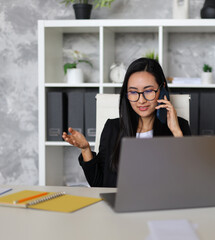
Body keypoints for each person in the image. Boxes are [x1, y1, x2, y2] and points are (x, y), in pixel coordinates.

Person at [62, 58, 191, 187]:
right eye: (133, 92)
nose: (141, 100)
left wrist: (176, 132)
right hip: (120, 204)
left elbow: (188, 182)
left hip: (161, 205)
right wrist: (85, 150)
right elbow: (99, 184)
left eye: (148, 91)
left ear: (162, 89)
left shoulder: (179, 127)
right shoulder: (112, 128)